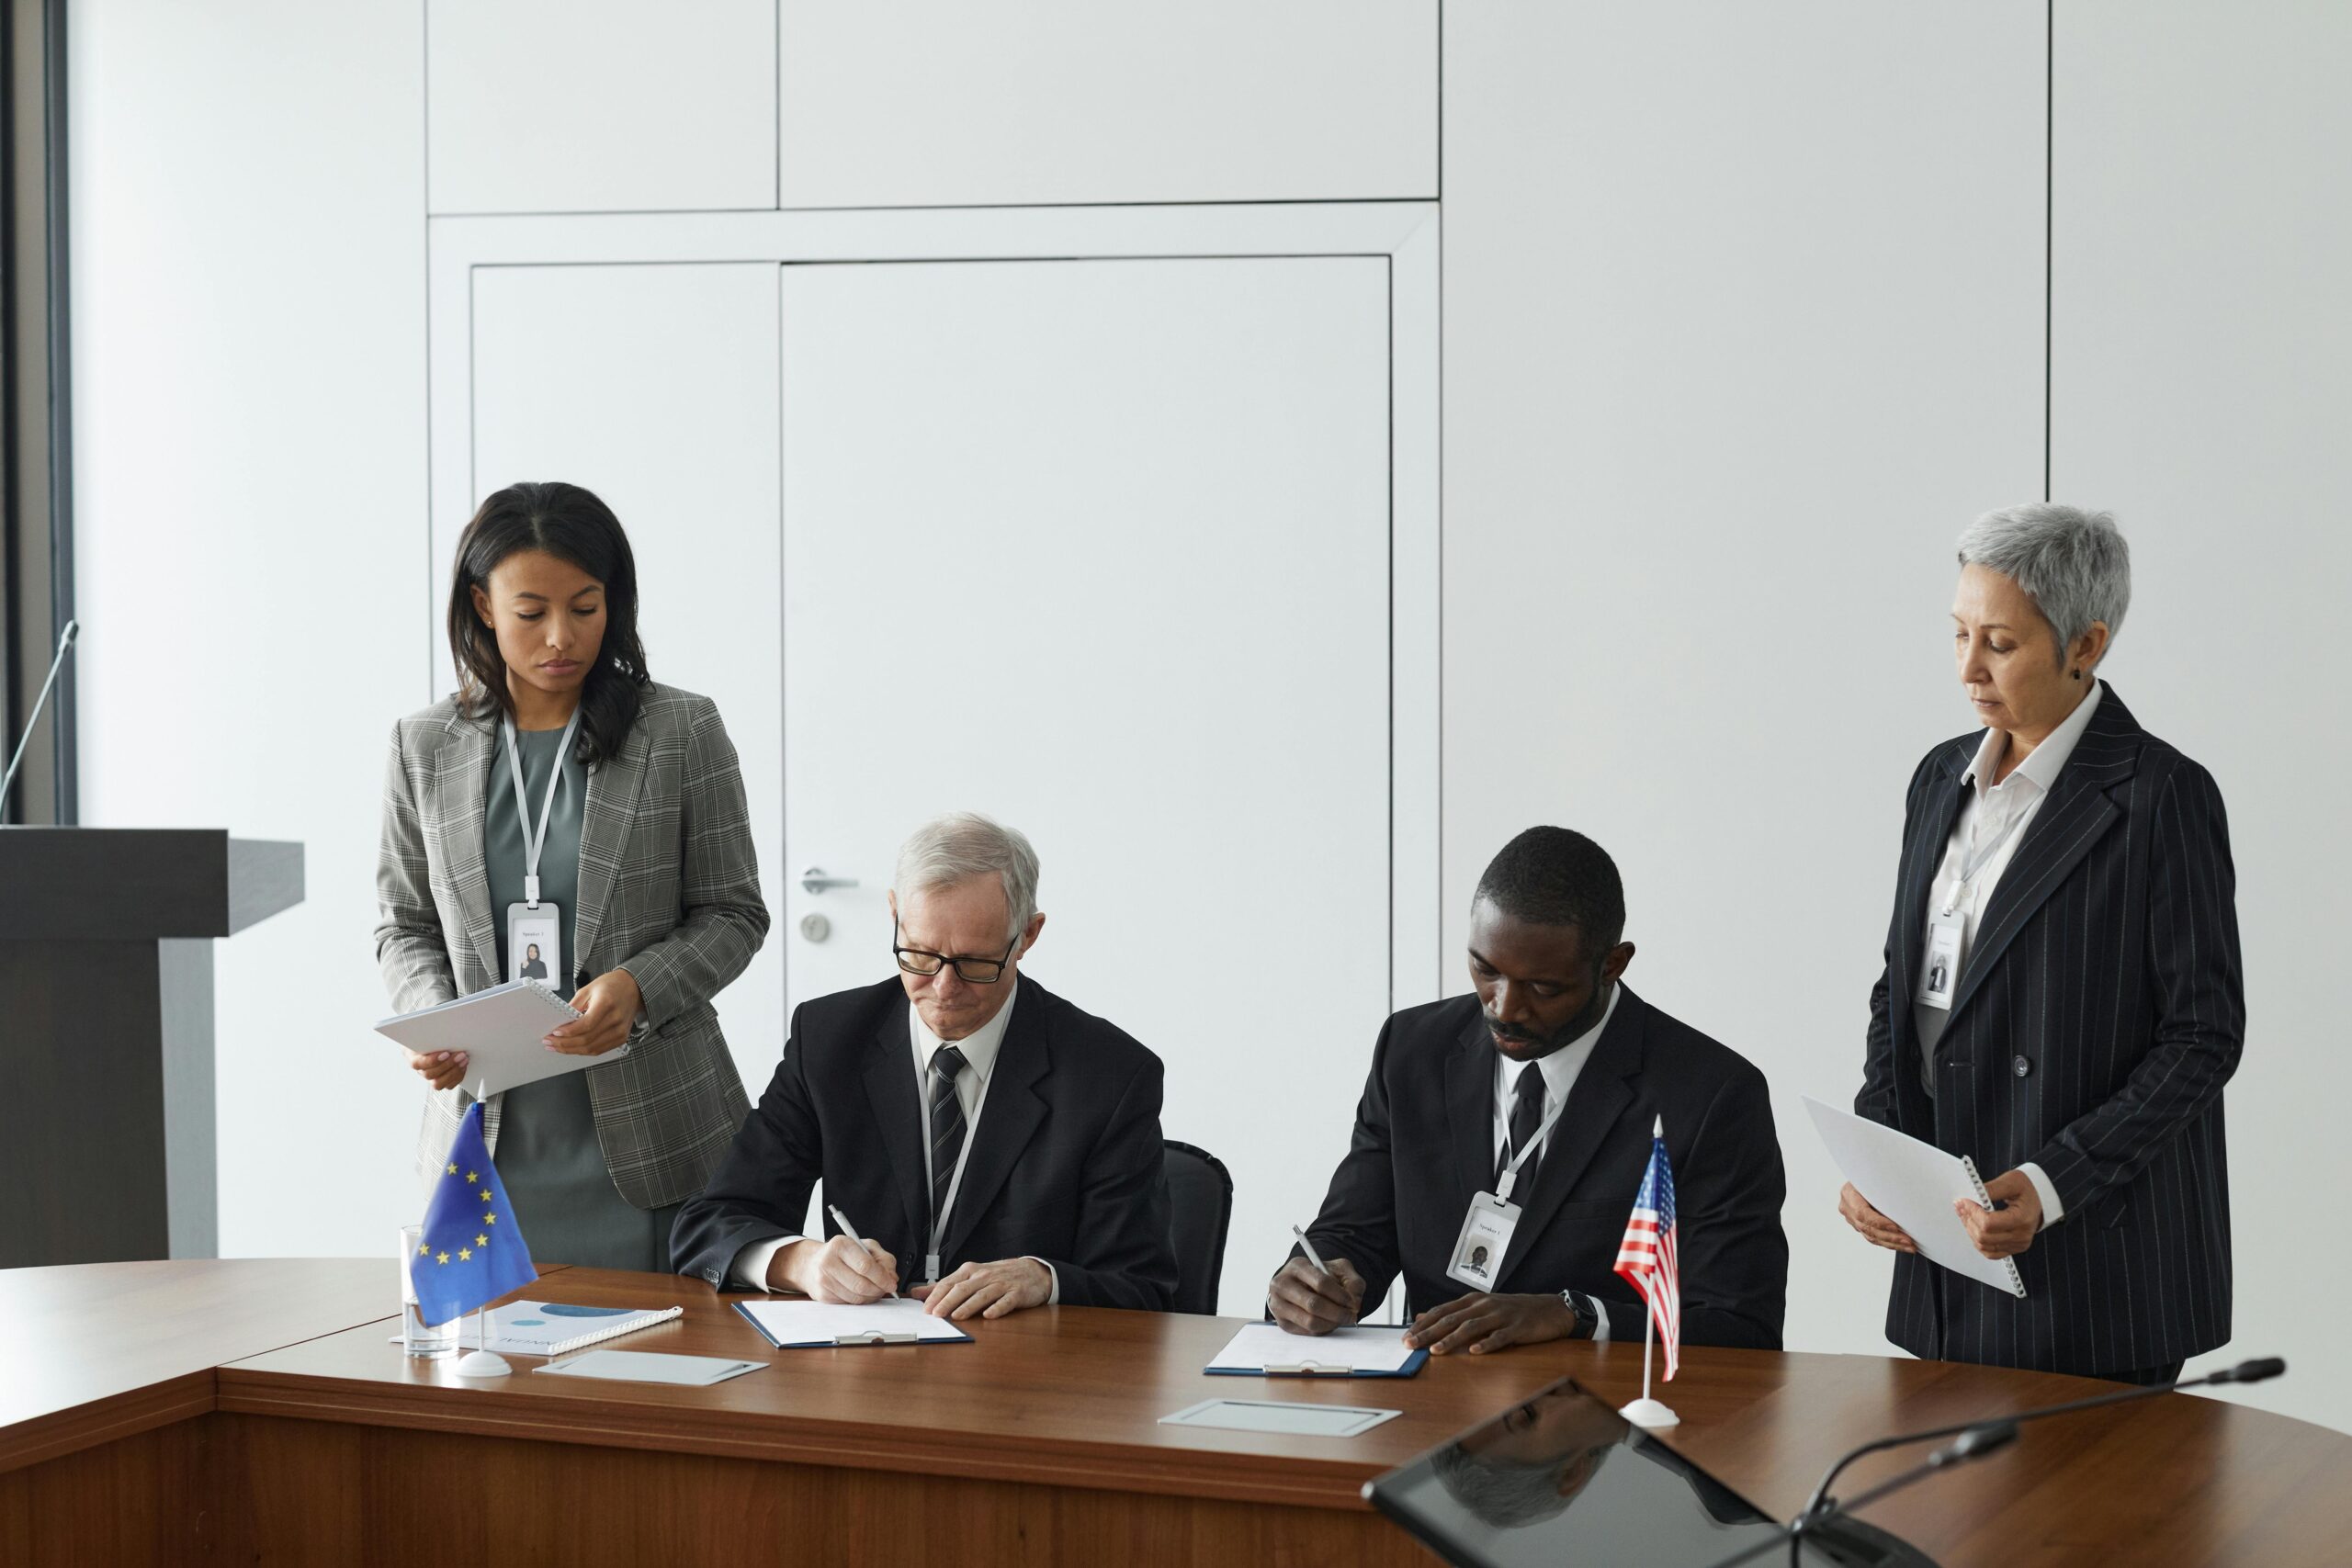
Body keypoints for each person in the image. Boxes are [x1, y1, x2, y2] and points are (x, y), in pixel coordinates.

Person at [1845, 504, 2243, 1385]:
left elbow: (2203, 1036)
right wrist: (1880, 1153)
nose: (1968, 669)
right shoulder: (1936, 776)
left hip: (2098, 1266)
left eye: (1999, 643)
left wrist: (2055, 1180)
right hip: (1946, 1260)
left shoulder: (2162, 796)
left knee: (2087, 1528)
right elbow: (1899, 992)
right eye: (1957, 634)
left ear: (2086, 645)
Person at [377, 480, 769, 1272]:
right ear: (483, 606)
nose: (562, 636)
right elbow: (404, 923)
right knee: (491, 1380)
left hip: (656, 1138)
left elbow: (733, 910)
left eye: (585, 608)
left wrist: (640, 985)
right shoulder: (423, 744)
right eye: (532, 612)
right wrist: (434, 1014)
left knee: (660, 1385)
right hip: (486, 1137)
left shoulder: (680, 730)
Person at [1271, 827, 1787, 1355]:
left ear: (1613, 964)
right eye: (1484, 969)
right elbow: (1356, 1232)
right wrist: (1313, 1279)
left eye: (1543, 988)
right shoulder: (1411, 1050)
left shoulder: (1712, 1095)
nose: (1504, 1008)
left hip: (1604, 1413)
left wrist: (1577, 1315)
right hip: (1432, 1403)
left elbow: (1741, 1324)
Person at [672, 813, 1178, 1316]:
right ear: (894, 914)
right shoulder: (828, 1041)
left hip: (1025, 1374)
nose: (943, 988)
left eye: (975, 963)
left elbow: (1143, 1288)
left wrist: (1045, 1279)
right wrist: (801, 1263)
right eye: (919, 955)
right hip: (862, 1369)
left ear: (1028, 936)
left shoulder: (1110, 1074)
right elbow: (711, 1224)